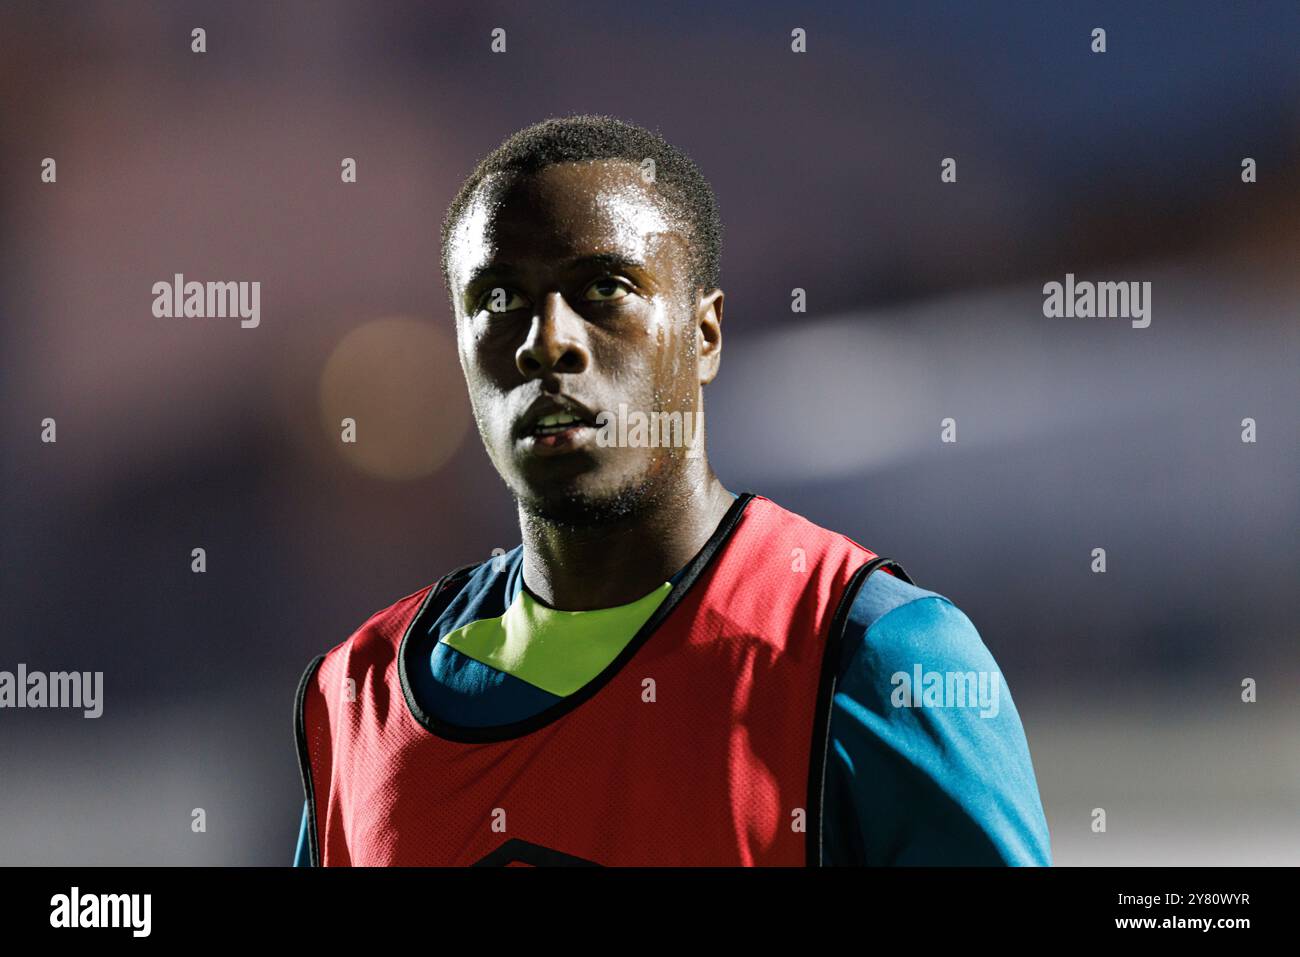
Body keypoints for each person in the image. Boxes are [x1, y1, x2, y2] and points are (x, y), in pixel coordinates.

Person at [293, 114, 1051, 866]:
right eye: (497, 300)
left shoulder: (872, 654)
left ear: (705, 334)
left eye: (602, 286)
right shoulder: (359, 695)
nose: (545, 340)